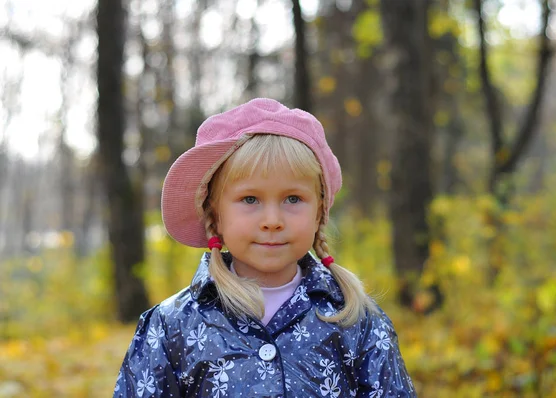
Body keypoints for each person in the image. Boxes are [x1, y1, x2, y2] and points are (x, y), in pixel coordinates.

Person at [113, 98, 416, 397]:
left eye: (293, 199)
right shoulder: (172, 326)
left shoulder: (355, 320)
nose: (272, 220)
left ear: (318, 212)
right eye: (250, 200)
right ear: (214, 215)